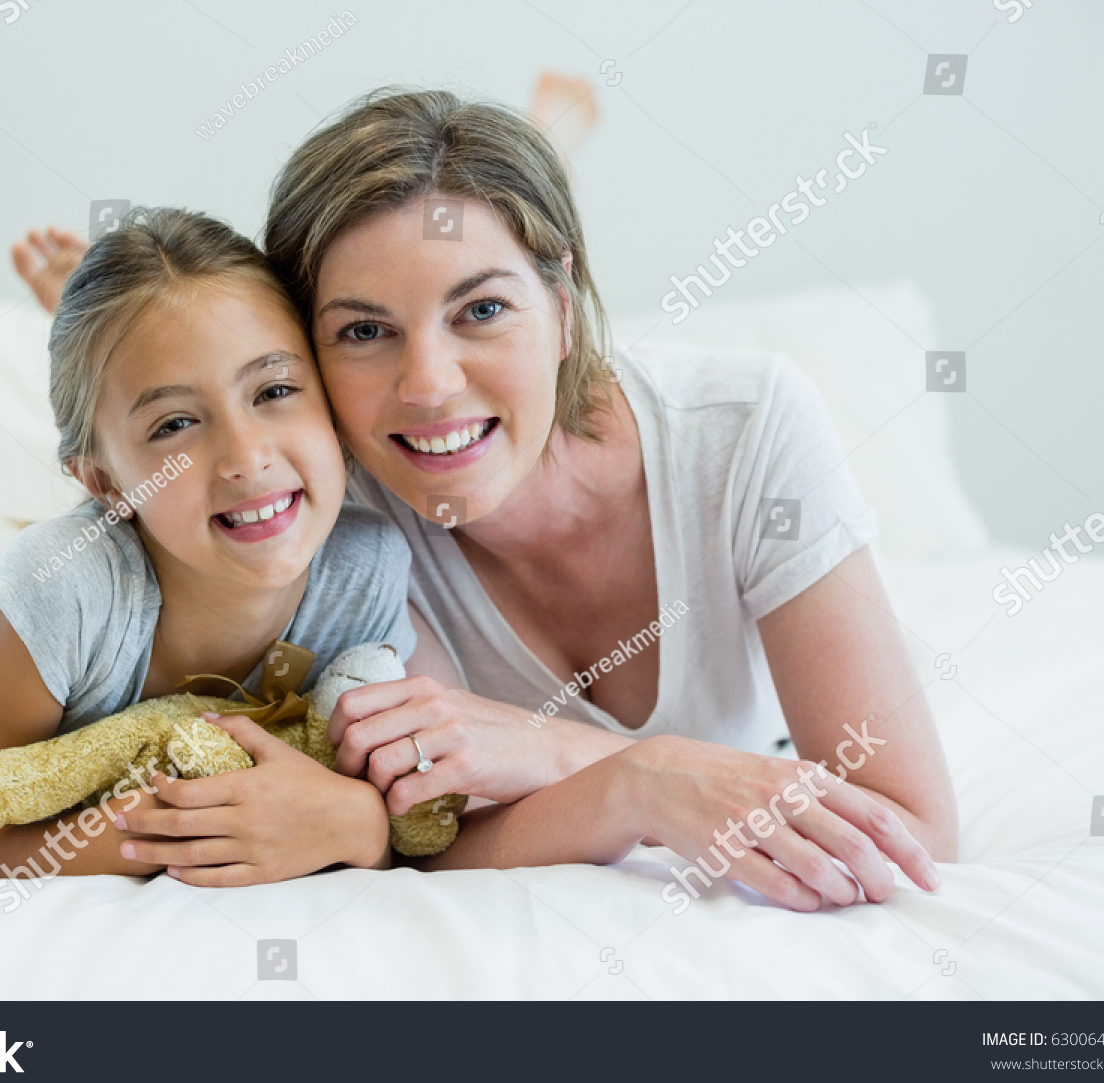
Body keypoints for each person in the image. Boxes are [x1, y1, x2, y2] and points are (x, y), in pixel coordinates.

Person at [261, 87, 958, 912]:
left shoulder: (744, 429)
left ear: (561, 309)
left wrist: (555, 753)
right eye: (365, 331)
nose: (430, 386)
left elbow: (915, 832)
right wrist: (640, 781)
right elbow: (436, 846)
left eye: (482, 309)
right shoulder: (342, 523)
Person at [0, 178, 411, 886]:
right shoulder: (52, 595)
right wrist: (185, 823)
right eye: (175, 422)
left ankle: (112, 348)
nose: (249, 458)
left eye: (274, 391)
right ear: (102, 482)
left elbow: (391, 806)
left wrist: (360, 823)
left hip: (80, 575)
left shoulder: (367, 565)